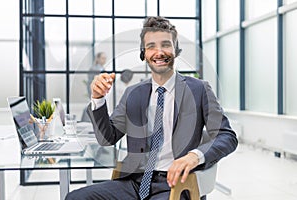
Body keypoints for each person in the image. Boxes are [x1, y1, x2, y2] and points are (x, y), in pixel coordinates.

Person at [66, 16, 238, 200]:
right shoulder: (133, 94)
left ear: (176, 50)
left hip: (176, 185)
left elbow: (226, 136)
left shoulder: (199, 90)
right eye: (151, 47)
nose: (159, 52)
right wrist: (98, 99)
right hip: (134, 182)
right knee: (75, 198)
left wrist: (194, 156)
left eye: (166, 44)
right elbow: (107, 138)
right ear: (144, 53)